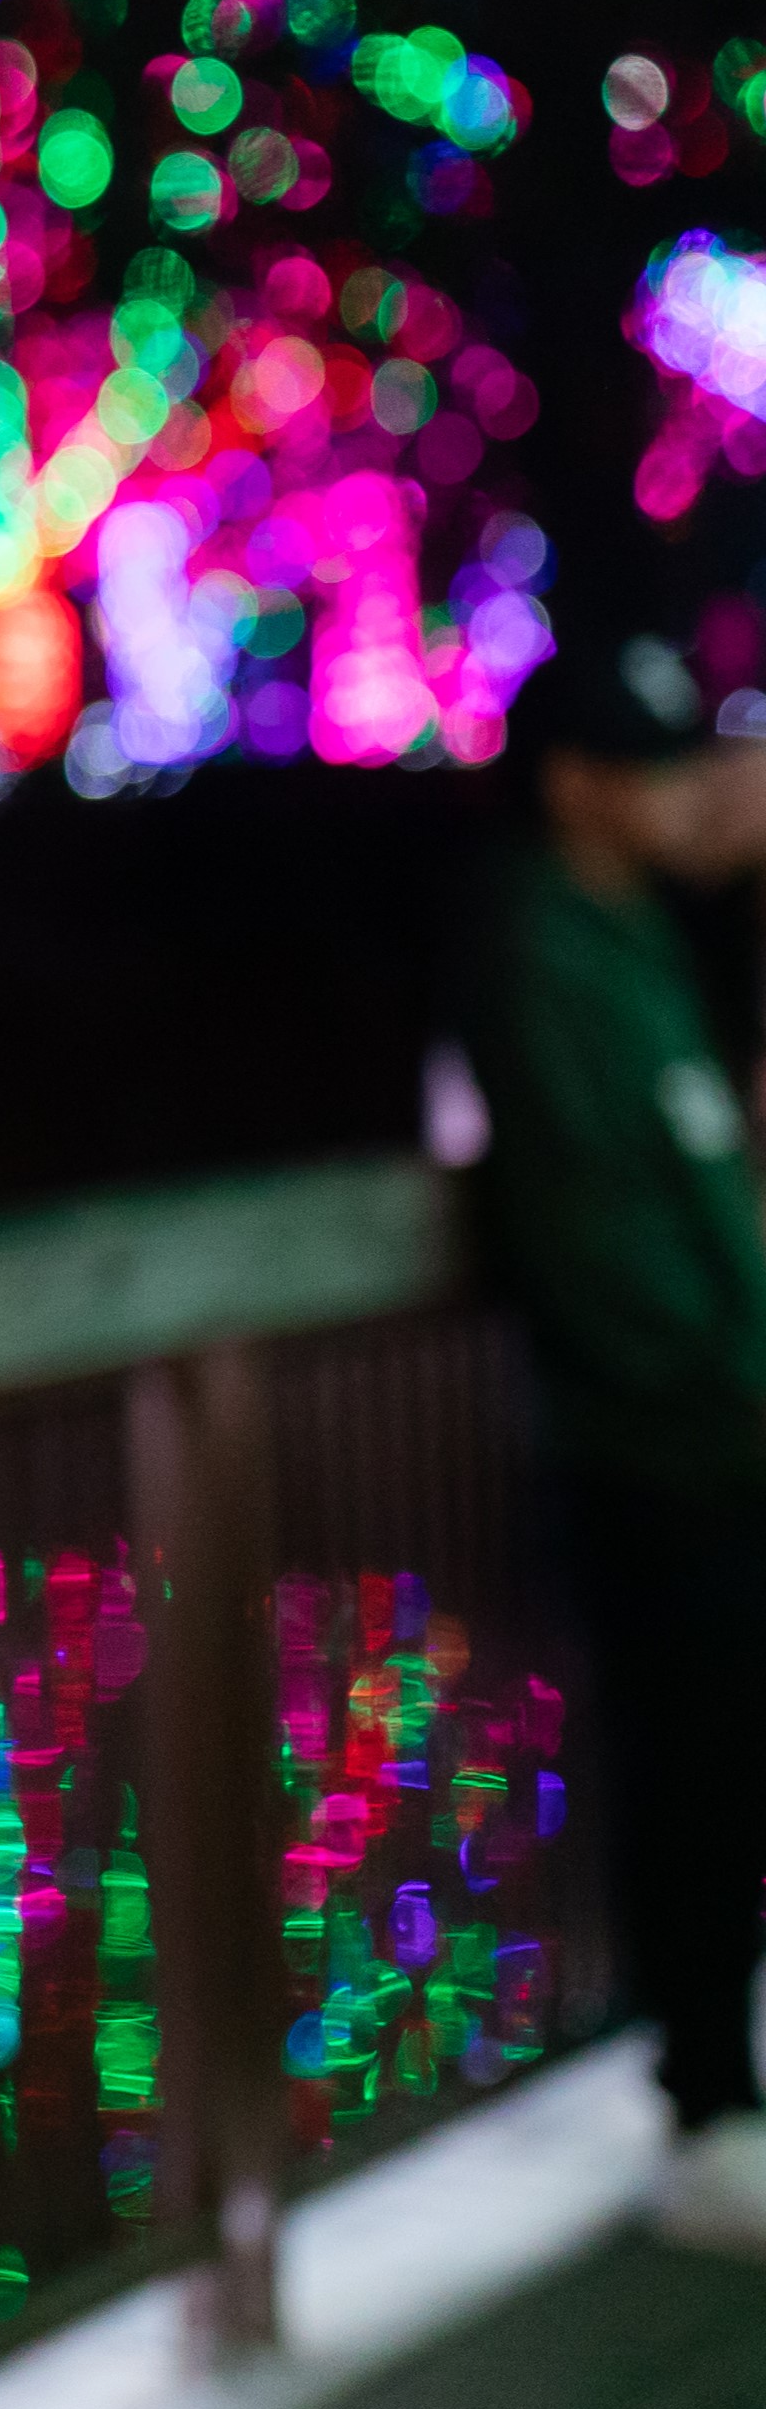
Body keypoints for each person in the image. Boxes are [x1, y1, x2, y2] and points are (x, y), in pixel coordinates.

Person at [450, 615, 766, 2257]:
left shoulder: (631, 936)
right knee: (693, 1773)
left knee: (722, 1770)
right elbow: (612, 1246)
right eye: (649, 767)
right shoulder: (546, 953)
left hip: (711, 1435)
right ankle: (708, 2111)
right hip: (665, 1452)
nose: (692, 792)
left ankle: (720, 2095)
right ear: (573, 785)